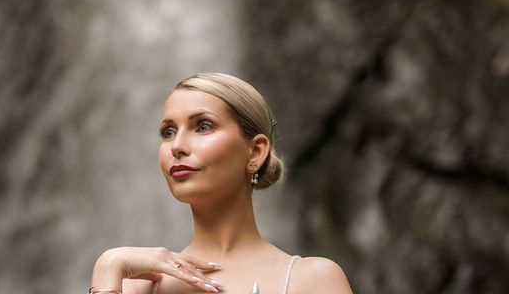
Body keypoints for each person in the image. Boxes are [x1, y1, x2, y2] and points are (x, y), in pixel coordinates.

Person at [90, 73, 353, 294]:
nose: (177, 147)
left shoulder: (313, 281)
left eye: (203, 126)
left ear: (256, 152)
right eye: (168, 133)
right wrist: (108, 265)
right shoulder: (138, 287)